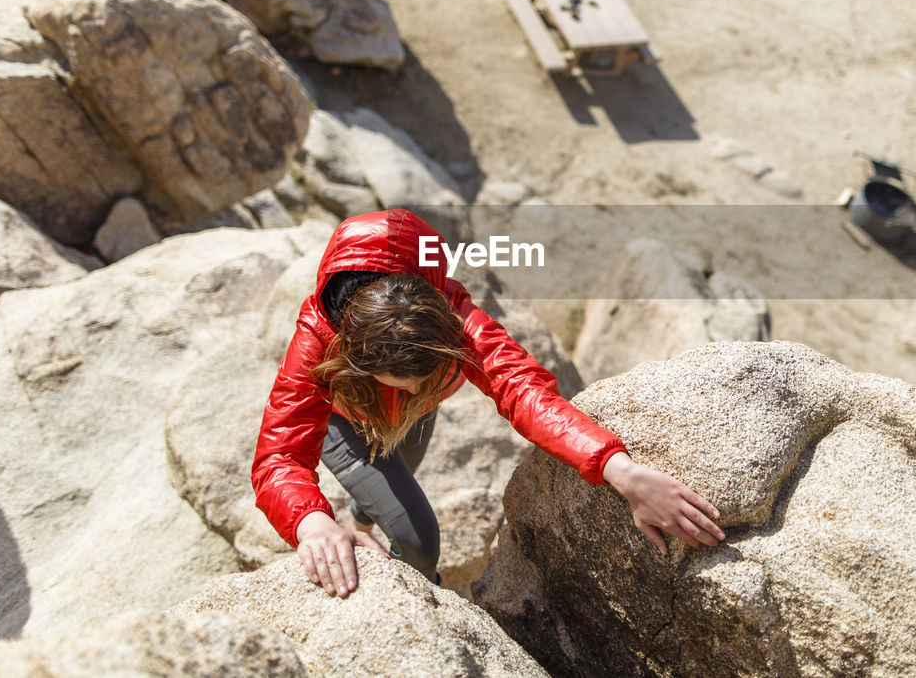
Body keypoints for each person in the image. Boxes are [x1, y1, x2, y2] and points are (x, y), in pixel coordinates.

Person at [252, 209, 725, 598]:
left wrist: (623, 472)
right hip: (345, 424)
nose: (415, 391)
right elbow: (280, 454)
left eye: (423, 377)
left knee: (396, 476)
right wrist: (312, 522)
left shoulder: (452, 316)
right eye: (400, 380)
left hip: (407, 421)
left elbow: (522, 389)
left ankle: (363, 518)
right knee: (418, 541)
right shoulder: (320, 338)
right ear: (355, 357)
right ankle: (420, 600)